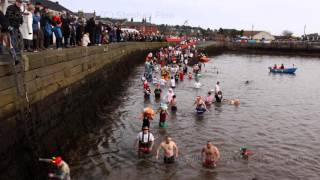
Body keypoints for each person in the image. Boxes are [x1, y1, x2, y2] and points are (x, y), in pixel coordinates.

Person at [5, 0, 23, 64]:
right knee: (12, 38)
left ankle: (15, 49)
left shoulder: (19, 9)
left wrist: (21, 22)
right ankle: (13, 51)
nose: (19, 4)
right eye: (19, 2)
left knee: (15, 38)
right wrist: (9, 25)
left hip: (17, 26)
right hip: (11, 26)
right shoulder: (10, 7)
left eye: (20, 3)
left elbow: (21, 17)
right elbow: (8, 16)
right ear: (16, 2)